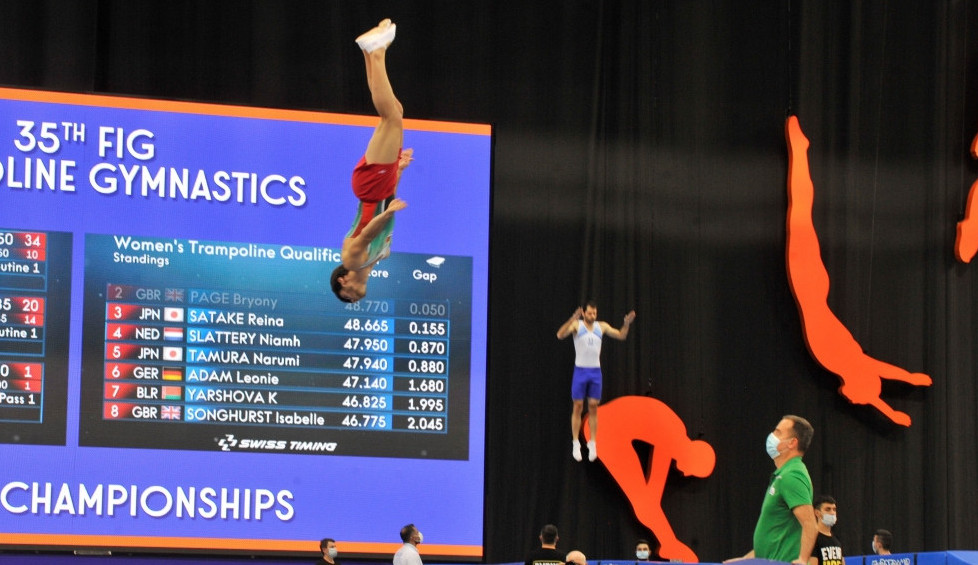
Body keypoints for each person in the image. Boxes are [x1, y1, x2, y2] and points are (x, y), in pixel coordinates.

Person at [331, 18, 414, 303]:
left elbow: (367, 232)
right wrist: (399, 172)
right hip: (380, 188)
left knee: (391, 118)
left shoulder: (351, 260)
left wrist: (389, 213)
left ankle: (376, 51)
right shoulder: (378, 259)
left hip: (370, 189)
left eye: (348, 295)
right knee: (395, 111)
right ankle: (371, 52)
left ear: (343, 281)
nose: (354, 298)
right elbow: (386, 202)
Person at [728, 415, 816, 564]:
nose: (772, 436)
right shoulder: (783, 474)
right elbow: (776, 536)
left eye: (778, 432)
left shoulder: (792, 475)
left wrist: (802, 560)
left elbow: (810, 524)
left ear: (792, 443)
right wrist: (744, 561)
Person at [556, 301, 636, 461]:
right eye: (590, 313)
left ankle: (593, 442)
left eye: (595, 313)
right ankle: (575, 443)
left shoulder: (602, 327)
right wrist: (572, 319)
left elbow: (621, 335)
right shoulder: (576, 326)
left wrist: (626, 324)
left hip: (595, 373)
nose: (592, 316)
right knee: (578, 406)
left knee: (593, 406)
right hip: (580, 372)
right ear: (584, 313)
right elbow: (560, 335)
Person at [810, 495, 843, 565]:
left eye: (834, 509)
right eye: (828, 509)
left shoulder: (836, 539)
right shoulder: (813, 538)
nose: (832, 513)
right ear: (817, 513)